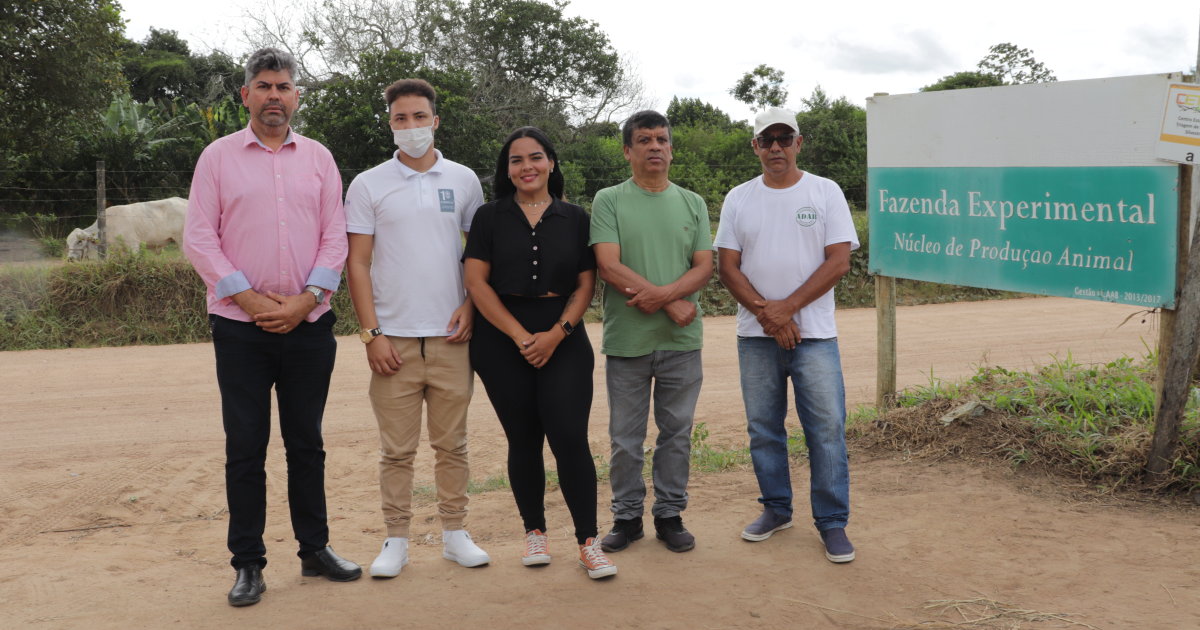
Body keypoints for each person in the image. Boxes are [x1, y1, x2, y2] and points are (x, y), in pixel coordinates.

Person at [183, 47, 361, 607]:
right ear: (246, 96)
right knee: (246, 446)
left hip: (309, 326)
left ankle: (314, 549)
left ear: (296, 96)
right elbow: (199, 239)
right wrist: (254, 300)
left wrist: (307, 300)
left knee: (306, 441)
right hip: (240, 328)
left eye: (283, 87)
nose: (274, 97)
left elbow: (337, 235)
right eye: (263, 86)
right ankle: (248, 563)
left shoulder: (319, 159)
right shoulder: (217, 158)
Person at [344, 78, 490, 578]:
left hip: (453, 337)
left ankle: (454, 534)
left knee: (453, 444)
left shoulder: (465, 180)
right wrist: (371, 333)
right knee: (396, 451)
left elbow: (479, 255)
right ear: (390, 124)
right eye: (401, 119)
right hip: (394, 341)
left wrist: (471, 305)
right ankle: (396, 541)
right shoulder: (367, 185)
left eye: (419, 117)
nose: (411, 128)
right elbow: (357, 264)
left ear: (435, 120)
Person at [463, 127, 618, 580]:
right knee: (524, 438)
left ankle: (589, 541)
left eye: (535, 157)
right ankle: (535, 532)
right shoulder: (489, 217)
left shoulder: (576, 217)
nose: (526, 167)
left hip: (563, 336)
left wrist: (556, 333)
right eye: (516, 160)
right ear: (506, 170)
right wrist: (518, 335)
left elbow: (586, 284)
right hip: (499, 338)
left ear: (551, 162)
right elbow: (476, 283)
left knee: (569, 436)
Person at [714, 106, 859, 563]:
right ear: (754, 146)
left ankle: (832, 523)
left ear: (799, 142)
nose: (775, 147)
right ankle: (777, 509)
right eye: (766, 139)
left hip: (814, 334)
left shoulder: (825, 191)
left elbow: (838, 261)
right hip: (756, 336)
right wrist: (768, 315)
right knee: (764, 430)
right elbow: (726, 267)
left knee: (827, 429)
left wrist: (787, 309)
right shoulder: (739, 197)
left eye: (784, 138)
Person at [590, 110, 713, 554]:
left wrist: (661, 297)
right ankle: (627, 518)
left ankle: (669, 514)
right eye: (644, 140)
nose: (655, 146)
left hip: (681, 343)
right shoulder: (609, 200)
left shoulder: (692, 202)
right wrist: (670, 301)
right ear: (628, 151)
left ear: (672, 149)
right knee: (625, 437)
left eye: (662, 139)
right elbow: (608, 264)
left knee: (676, 433)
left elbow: (705, 266)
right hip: (628, 341)